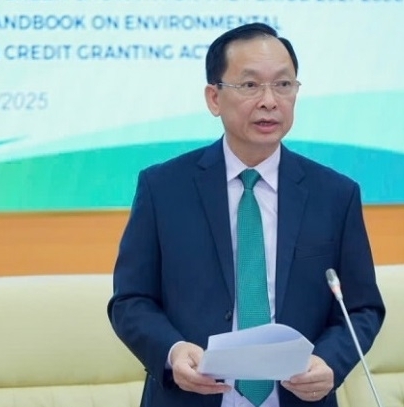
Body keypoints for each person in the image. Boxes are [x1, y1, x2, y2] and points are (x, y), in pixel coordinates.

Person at [107, 22, 385, 407]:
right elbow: (131, 300)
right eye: (250, 85)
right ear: (214, 98)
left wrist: (329, 362)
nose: (270, 100)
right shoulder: (163, 188)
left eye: (283, 84)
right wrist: (172, 351)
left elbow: (361, 307)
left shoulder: (335, 194)